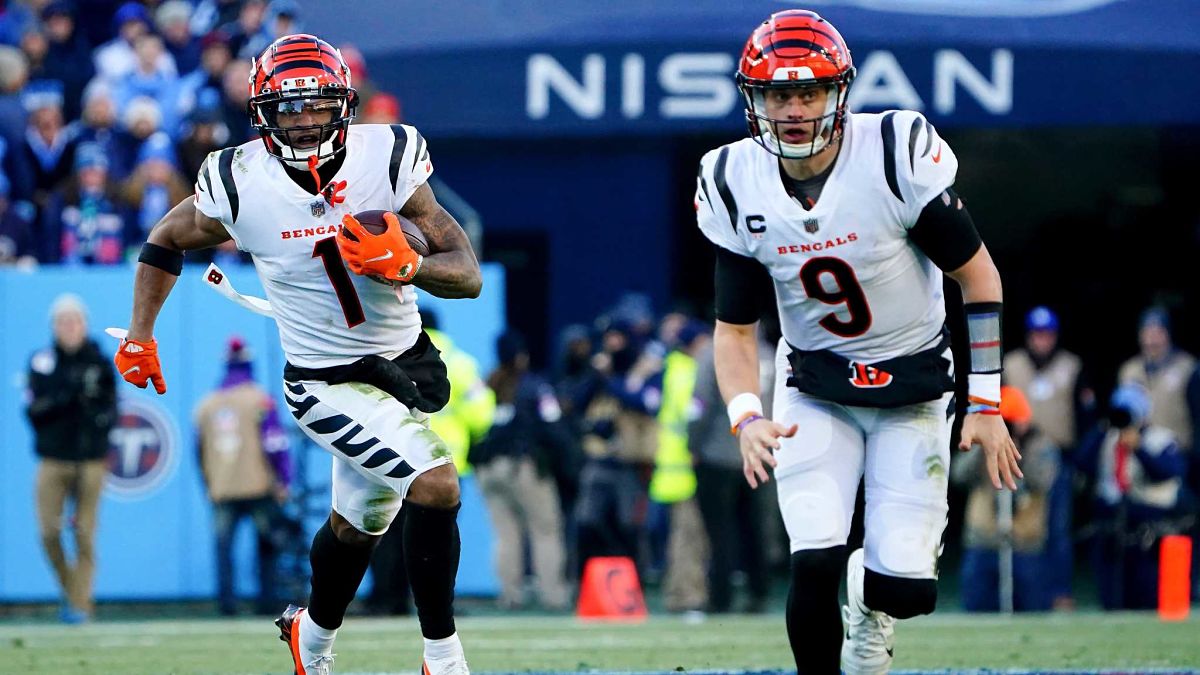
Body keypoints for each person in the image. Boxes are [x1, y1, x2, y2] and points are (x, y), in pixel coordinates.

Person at [113, 34, 481, 675]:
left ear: (345, 105)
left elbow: (466, 272)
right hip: (322, 379)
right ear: (263, 113)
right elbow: (166, 237)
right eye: (289, 108)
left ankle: (309, 642)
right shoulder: (239, 180)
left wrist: (412, 263)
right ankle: (442, 661)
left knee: (358, 524)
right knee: (435, 483)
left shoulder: (387, 154)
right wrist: (141, 334)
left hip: (399, 366)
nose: (305, 121)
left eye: (317, 106)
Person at [696, 10, 1021, 674]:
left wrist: (985, 402)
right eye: (778, 93)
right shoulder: (734, 180)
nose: (792, 108)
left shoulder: (895, 153)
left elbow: (979, 278)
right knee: (812, 553)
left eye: (808, 90)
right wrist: (746, 414)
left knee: (905, 588)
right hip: (817, 383)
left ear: (838, 92)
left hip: (915, 383)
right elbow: (734, 330)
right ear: (753, 99)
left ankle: (869, 601)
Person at [24, 294, 117, 624]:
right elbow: (34, 410)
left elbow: (111, 409)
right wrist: (69, 396)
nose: (69, 327)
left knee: (85, 533)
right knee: (49, 531)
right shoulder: (42, 362)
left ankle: (80, 605)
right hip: (53, 456)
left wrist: (95, 417)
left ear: (85, 325)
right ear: (54, 327)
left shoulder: (100, 362)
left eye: (75, 321)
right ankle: (73, 593)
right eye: (63, 322)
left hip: (90, 458)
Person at [470, 331, 571, 610]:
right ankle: (553, 596)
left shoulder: (486, 383)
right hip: (521, 465)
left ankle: (510, 595)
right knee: (545, 530)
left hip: (487, 468)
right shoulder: (533, 386)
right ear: (521, 356)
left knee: (506, 533)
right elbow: (552, 425)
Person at [194, 336, 293, 616]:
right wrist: (284, 479)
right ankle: (267, 601)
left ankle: (227, 603)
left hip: (222, 487)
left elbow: (198, 453)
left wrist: (209, 482)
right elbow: (275, 444)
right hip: (258, 485)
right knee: (267, 547)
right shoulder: (260, 401)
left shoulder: (206, 406)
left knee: (223, 548)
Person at [1003, 306, 1094, 610]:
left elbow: (1084, 418)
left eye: (1047, 334)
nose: (1041, 340)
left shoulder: (1071, 366)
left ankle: (1059, 593)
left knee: (1057, 529)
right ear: (1029, 336)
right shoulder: (1012, 364)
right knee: (1020, 528)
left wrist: (1081, 461)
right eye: (1036, 334)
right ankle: (1020, 594)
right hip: (1018, 454)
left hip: (1058, 457)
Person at [1078, 383, 1191, 610]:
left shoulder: (1161, 438)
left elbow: (1169, 472)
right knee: (1112, 593)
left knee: (1146, 591)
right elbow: (1082, 463)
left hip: (1149, 521)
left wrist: (1139, 448)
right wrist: (1103, 429)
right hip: (1114, 520)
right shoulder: (1108, 438)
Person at [954, 386, 1059, 612]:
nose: (1008, 429)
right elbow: (958, 476)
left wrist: (1017, 454)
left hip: (1025, 542)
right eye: (1005, 422)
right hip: (984, 540)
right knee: (976, 607)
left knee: (1033, 610)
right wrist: (983, 448)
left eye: (1012, 422)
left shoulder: (1040, 445)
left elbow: (1044, 482)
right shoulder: (980, 444)